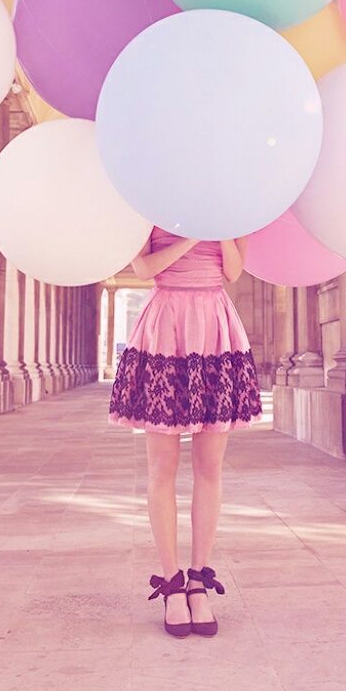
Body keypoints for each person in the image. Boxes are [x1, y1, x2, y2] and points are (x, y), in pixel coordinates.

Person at [108, 226, 263, 638]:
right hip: (166, 327)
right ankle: (172, 583)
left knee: (210, 467)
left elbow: (233, 271)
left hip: (214, 325)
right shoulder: (151, 201)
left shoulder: (234, 206)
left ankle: (198, 582)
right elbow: (143, 268)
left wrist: (220, 227)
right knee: (163, 468)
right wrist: (193, 237)